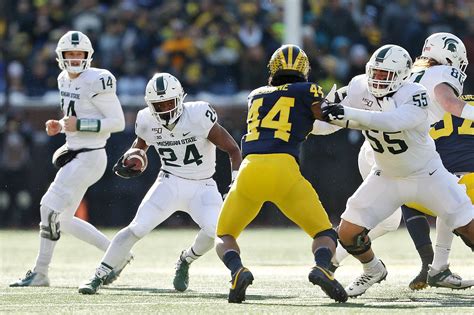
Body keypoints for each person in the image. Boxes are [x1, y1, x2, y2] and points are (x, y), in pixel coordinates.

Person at [321, 44, 474, 298]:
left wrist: (346, 114)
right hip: (385, 169)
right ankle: (370, 268)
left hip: (425, 173)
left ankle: (436, 267)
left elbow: (393, 122)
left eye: (385, 75)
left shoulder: (416, 92)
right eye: (376, 74)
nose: (378, 81)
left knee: (466, 224)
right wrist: (313, 116)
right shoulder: (361, 85)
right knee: (350, 232)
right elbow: (327, 123)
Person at [78, 72, 242, 294]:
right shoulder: (146, 119)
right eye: (159, 104)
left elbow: (233, 149)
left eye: (168, 103)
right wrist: (132, 156)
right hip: (169, 181)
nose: (164, 109)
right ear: (150, 105)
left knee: (216, 231)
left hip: (203, 185)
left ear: (180, 99)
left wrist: (234, 183)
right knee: (136, 228)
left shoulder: (198, 114)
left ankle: (186, 258)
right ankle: (98, 275)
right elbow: (140, 146)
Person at [215, 44, 348, 304]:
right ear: (304, 70)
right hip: (284, 169)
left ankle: (237, 270)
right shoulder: (308, 89)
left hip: (249, 169)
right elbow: (329, 115)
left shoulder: (255, 94)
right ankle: (322, 266)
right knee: (324, 233)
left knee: (225, 235)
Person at [10, 31, 130, 287]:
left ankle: (40, 272)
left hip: (91, 156)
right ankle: (117, 254)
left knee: (47, 207)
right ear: (60, 57)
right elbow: (74, 118)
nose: (75, 59)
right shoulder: (63, 78)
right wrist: (61, 126)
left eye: (79, 54)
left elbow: (118, 122)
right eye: (70, 54)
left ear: (89, 56)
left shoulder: (98, 79)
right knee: (63, 219)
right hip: (77, 154)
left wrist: (79, 124)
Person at [398, 32, 474, 290]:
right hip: (449, 173)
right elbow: (452, 104)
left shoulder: (408, 77)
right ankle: (437, 265)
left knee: (398, 204)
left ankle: (435, 265)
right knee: (451, 199)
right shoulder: (443, 76)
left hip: (390, 149)